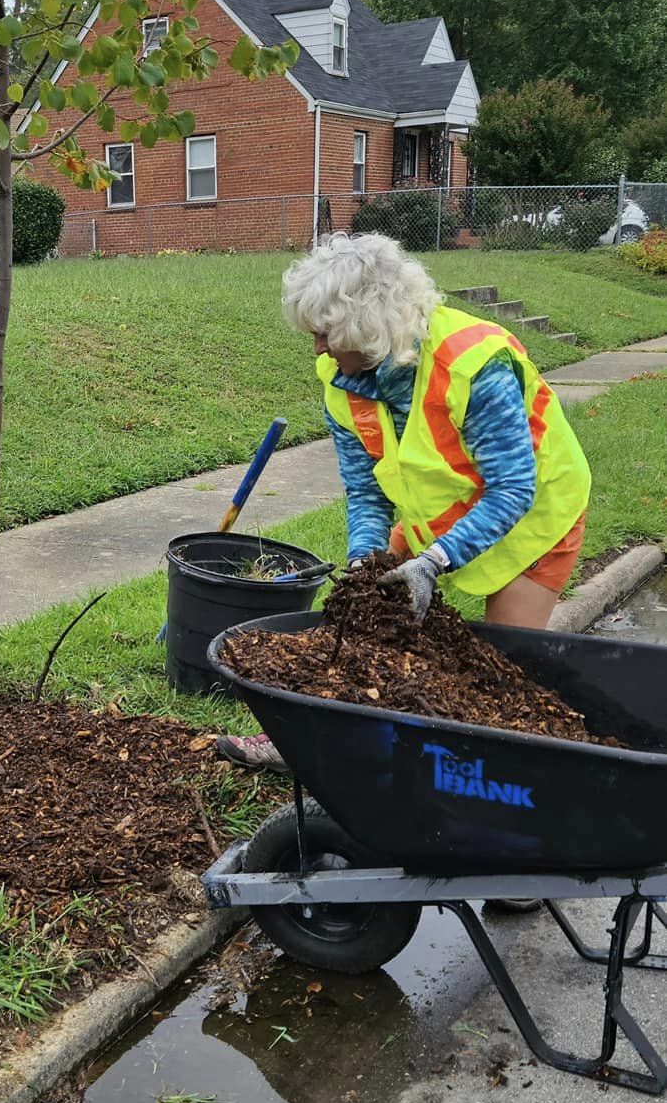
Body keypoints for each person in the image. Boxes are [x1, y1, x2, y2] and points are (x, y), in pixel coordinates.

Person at [219, 232, 591, 775]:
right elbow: (366, 488)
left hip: (534, 517)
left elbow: (512, 488)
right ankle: (305, 738)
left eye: (325, 333)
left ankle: (492, 779)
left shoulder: (472, 364)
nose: (318, 349)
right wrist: (365, 560)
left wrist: (435, 561)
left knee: (509, 677)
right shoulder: (344, 379)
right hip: (440, 511)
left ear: (364, 326)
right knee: (368, 614)